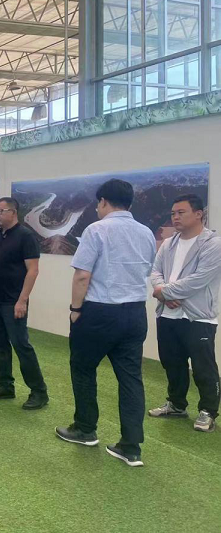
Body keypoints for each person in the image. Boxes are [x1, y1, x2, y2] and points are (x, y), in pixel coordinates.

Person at [55, 179, 156, 468]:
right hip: (135, 313)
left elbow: (82, 275)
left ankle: (85, 429)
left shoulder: (96, 229)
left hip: (99, 312)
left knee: (83, 368)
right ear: (130, 203)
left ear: (102, 202)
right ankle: (131, 447)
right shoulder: (146, 232)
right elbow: (147, 269)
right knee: (131, 378)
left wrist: (75, 309)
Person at [149, 194, 221, 433]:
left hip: (198, 317)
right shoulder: (169, 243)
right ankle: (177, 404)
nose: (175, 217)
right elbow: (155, 272)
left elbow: (199, 279)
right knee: (172, 363)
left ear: (199, 214)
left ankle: (208, 411)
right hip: (167, 315)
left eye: (181, 212)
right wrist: (163, 292)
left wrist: (163, 292)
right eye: (173, 213)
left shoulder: (213, 244)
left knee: (203, 367)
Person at [0, 197, 48, 410]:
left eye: (0, 211)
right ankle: (5, 386)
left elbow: (33, 271)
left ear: (13, 212)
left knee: (21, 345)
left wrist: (22, 301)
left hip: (13, 302)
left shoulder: (26, 236)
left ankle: (39, 392)